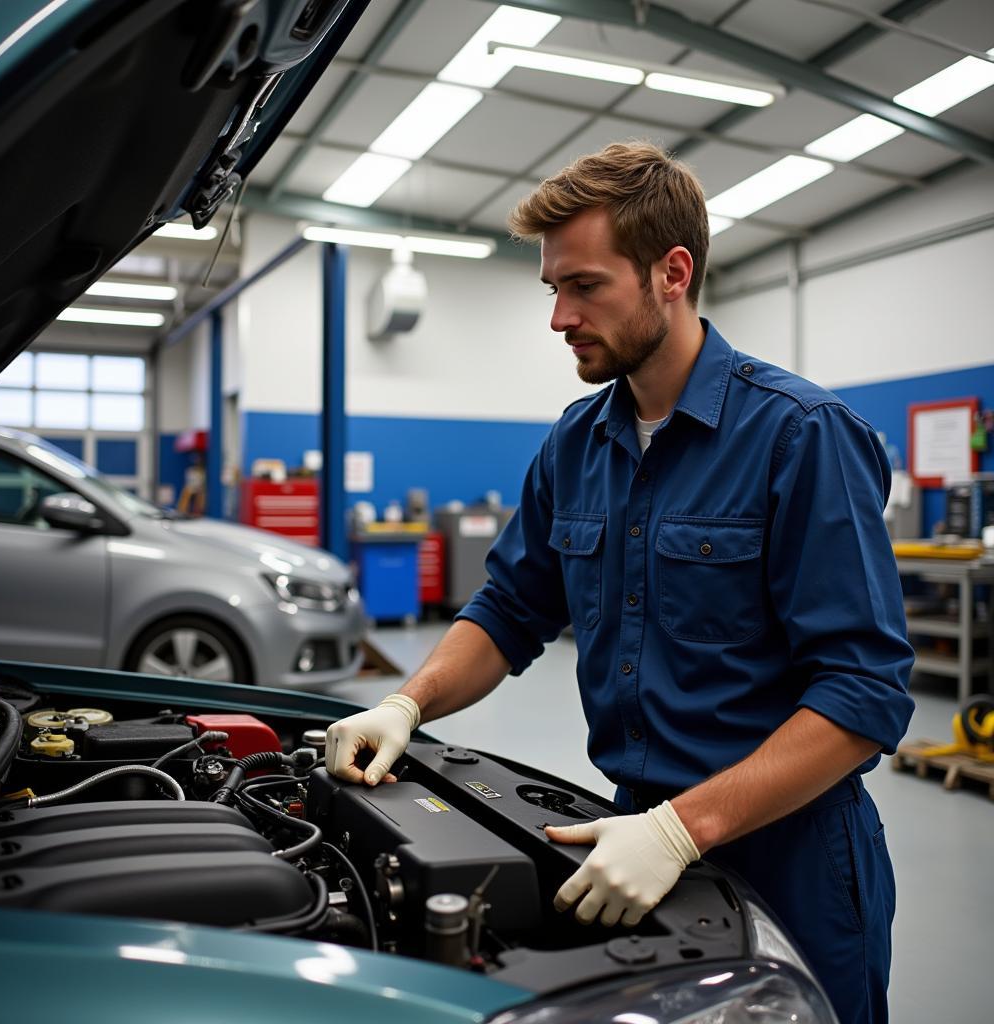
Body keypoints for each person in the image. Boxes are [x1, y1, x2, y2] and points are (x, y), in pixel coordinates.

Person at [325, 142, 914, 1024]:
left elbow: (864, 695)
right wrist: (404, 706)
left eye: (586, 286)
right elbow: (512, 608)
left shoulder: (801, 437)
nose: (560, 317)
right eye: (552, 289)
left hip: (789, 852)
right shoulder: (574, 443)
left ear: (671, 273)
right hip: (627, 834)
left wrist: (684, 829)